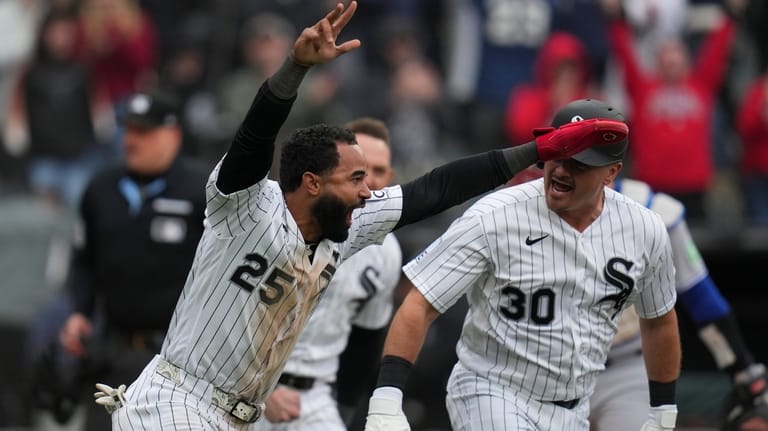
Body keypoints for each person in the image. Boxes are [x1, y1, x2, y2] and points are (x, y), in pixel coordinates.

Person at [94, 3, 630, 429]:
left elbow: (437, 188)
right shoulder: (245, 207)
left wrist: (539, 150)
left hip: (242, 416)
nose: (368, 188)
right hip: (174, 402)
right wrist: (295, 67)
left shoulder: (342, 231)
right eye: (355, 178)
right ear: (311, 183)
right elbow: (254, 138)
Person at [364, 98, 681, 431]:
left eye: (579, 163)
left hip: (573, 409)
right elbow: (421, 302)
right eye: (556, 154)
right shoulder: (496, 215)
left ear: (611, 173)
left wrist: (663, 411)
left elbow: (659, 319)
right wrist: (386, 397)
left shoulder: (644, 228)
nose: (561, 169)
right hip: (491, 391)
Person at [57, 88, 209, 430]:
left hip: (177, 363)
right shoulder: (101, 188)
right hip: (112, 351)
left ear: (172, 135)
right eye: (128, 130)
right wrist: (80, 312)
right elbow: (83, 259)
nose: (130, 141)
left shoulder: (202, 192)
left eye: (143, 132)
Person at [256, 117, 402, 430]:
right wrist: (263, 390)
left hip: (315, 397)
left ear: (391, 177)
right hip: (246, 386)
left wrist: (346, 407)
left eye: (379, 172)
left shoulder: (387, 252)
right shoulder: (275, 221)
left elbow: (366, 340)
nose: (370, 183)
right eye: (360, 171)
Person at [590, 177, 768, 431]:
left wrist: (742, 369)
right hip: (550, 367)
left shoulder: (650, 210)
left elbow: (699, 296)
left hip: (628, 368)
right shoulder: (522, 212)